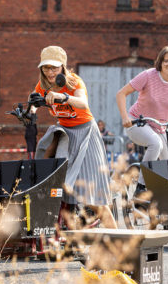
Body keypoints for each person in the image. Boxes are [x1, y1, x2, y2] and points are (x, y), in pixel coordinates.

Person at [33, 45, 117, 229]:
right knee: (52, 173)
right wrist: (29, 111)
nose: (50, 72)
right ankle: (64, 227)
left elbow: (83, 104)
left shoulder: (74, 82)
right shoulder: (43, 85)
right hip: (64, 133)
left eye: (54, 67)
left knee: (92, 193)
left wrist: (63, 97)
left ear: (62, 66)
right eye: (46, 68)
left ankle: (119, 240)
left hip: (85, 132)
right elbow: (34, 102)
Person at [116, 45, 168, 189]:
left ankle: (164, 200)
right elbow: (121, 94)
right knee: (156, 144)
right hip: (138, 122)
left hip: (161, 128)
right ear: (160, 62)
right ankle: (141, 186)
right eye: (166, 60)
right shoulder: (148, 75)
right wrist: (124, 117)